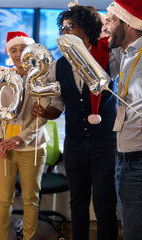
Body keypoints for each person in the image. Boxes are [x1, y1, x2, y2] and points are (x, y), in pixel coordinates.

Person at [32, 5, 119, 240]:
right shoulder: (58, 66)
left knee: (104, 206)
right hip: (75, 143)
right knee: (77, 205)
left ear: (87, 28)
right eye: (63, 27)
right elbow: (57, 106)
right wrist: (44, 111)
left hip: (105, 143)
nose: (65, 31)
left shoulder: (111, 56)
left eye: (71, 26)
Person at [0, 31, 49, 240]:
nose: (18, 54)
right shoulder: (2, 78)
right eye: (13, 50)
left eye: (23, 49)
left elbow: (42, 116)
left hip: (31, 147)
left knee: (30, 198)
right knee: (4, 198)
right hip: (3, 147)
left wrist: (21, 137)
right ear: (8, 53)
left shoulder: (42, 79)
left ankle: (28, 237)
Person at [105, 1, 142, 239]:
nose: (107, 27)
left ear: (127, 23)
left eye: (111, 21)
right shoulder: (128, 54)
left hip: (137, 163)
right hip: (124, 159)